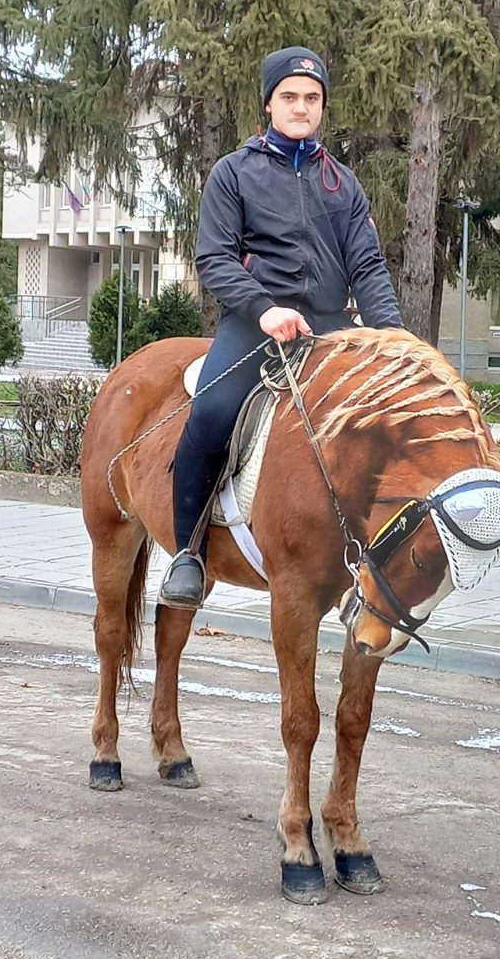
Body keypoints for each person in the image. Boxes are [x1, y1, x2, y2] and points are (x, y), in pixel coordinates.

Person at [159, 45, 404, 609]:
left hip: (329, 329)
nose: (301, 106)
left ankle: (377, 554)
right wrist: (264, 308)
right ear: (269, 103)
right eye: (289, 96)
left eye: (312, 98)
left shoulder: (343, 184)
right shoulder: (233, 173)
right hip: (256, 323)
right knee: (213, 412)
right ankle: (188, 553)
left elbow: (366, 266)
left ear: (322, 107)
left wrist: (391, 338)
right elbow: (214, 259)